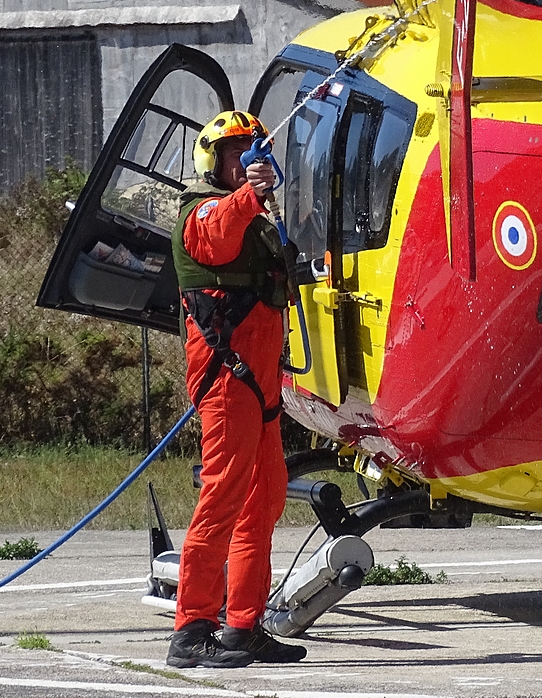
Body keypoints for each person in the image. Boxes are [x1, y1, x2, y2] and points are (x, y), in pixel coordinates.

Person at [166, 110, 307, 669]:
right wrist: (250, 194)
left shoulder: (255, 216)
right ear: (213, 161)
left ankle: (243, 627)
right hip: (228, 380)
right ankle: (192, 627)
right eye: (235, 154)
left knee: (265, 499)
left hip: (261, 384)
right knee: (222, 499)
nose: (247, 161)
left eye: (253, 151)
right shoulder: (202, 212)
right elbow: (218, 236)